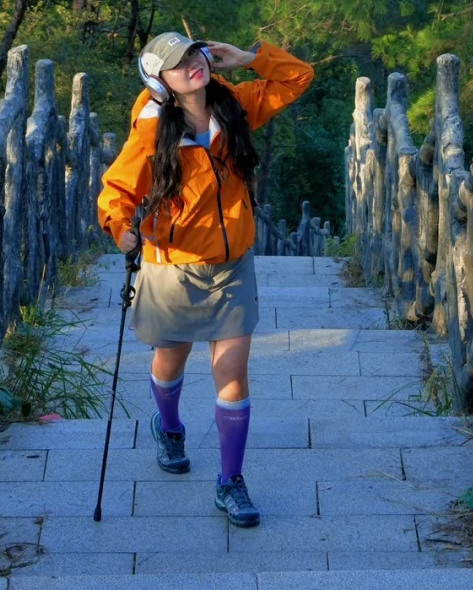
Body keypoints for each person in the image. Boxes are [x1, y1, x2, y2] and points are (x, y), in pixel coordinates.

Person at [97, 32, 314, 528]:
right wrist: (121, 229)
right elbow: (116, 190)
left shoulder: (233, 105)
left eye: (194, 53)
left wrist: (252, 56)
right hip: (172, 265)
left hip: (231, 264)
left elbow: (299, 77)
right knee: (170, 362)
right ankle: (169, 426)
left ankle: (230, 481)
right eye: (177, 63)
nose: (191, 64)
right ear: (161, 82)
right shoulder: (152, 130)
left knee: (233, 376)